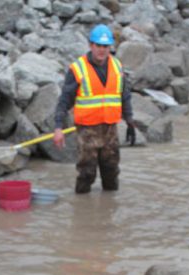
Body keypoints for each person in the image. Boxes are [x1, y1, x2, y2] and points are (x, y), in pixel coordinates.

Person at [53, 23, 136, 194]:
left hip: (110, 130)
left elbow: (124, 95)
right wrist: (58, 127)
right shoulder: (78, 69)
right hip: (87, 131)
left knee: (111, 172)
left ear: (110, 47)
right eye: (98, 45)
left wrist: (130, 121)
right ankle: (82, 210)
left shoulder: (117, 66)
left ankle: (108, 210)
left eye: (106, 46)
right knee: (87, 172)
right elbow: (65, 100)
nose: (102, 50)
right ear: (91, 45)